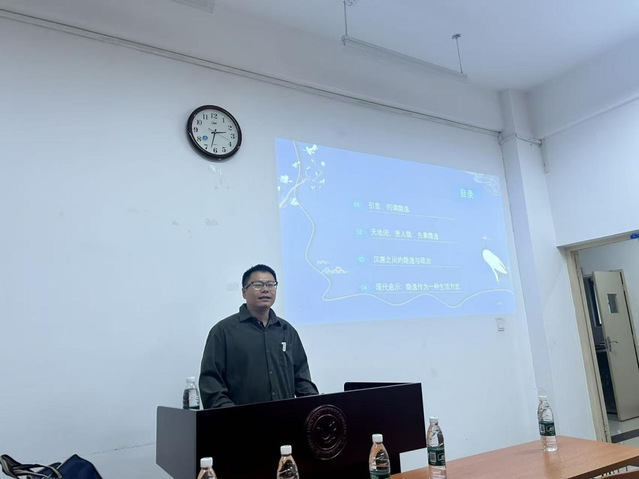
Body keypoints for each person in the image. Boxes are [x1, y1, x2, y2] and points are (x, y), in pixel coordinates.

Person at [199, 264, 319, 408]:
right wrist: (231, 415)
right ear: (244, 292)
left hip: (285, 417)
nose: (265, 289)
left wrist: (317, 405)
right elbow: (211, 384)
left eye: (271, 284)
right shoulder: (223, 331)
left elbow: (302, 380)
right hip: (240, 420)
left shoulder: (287, 330)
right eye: (257, 285)